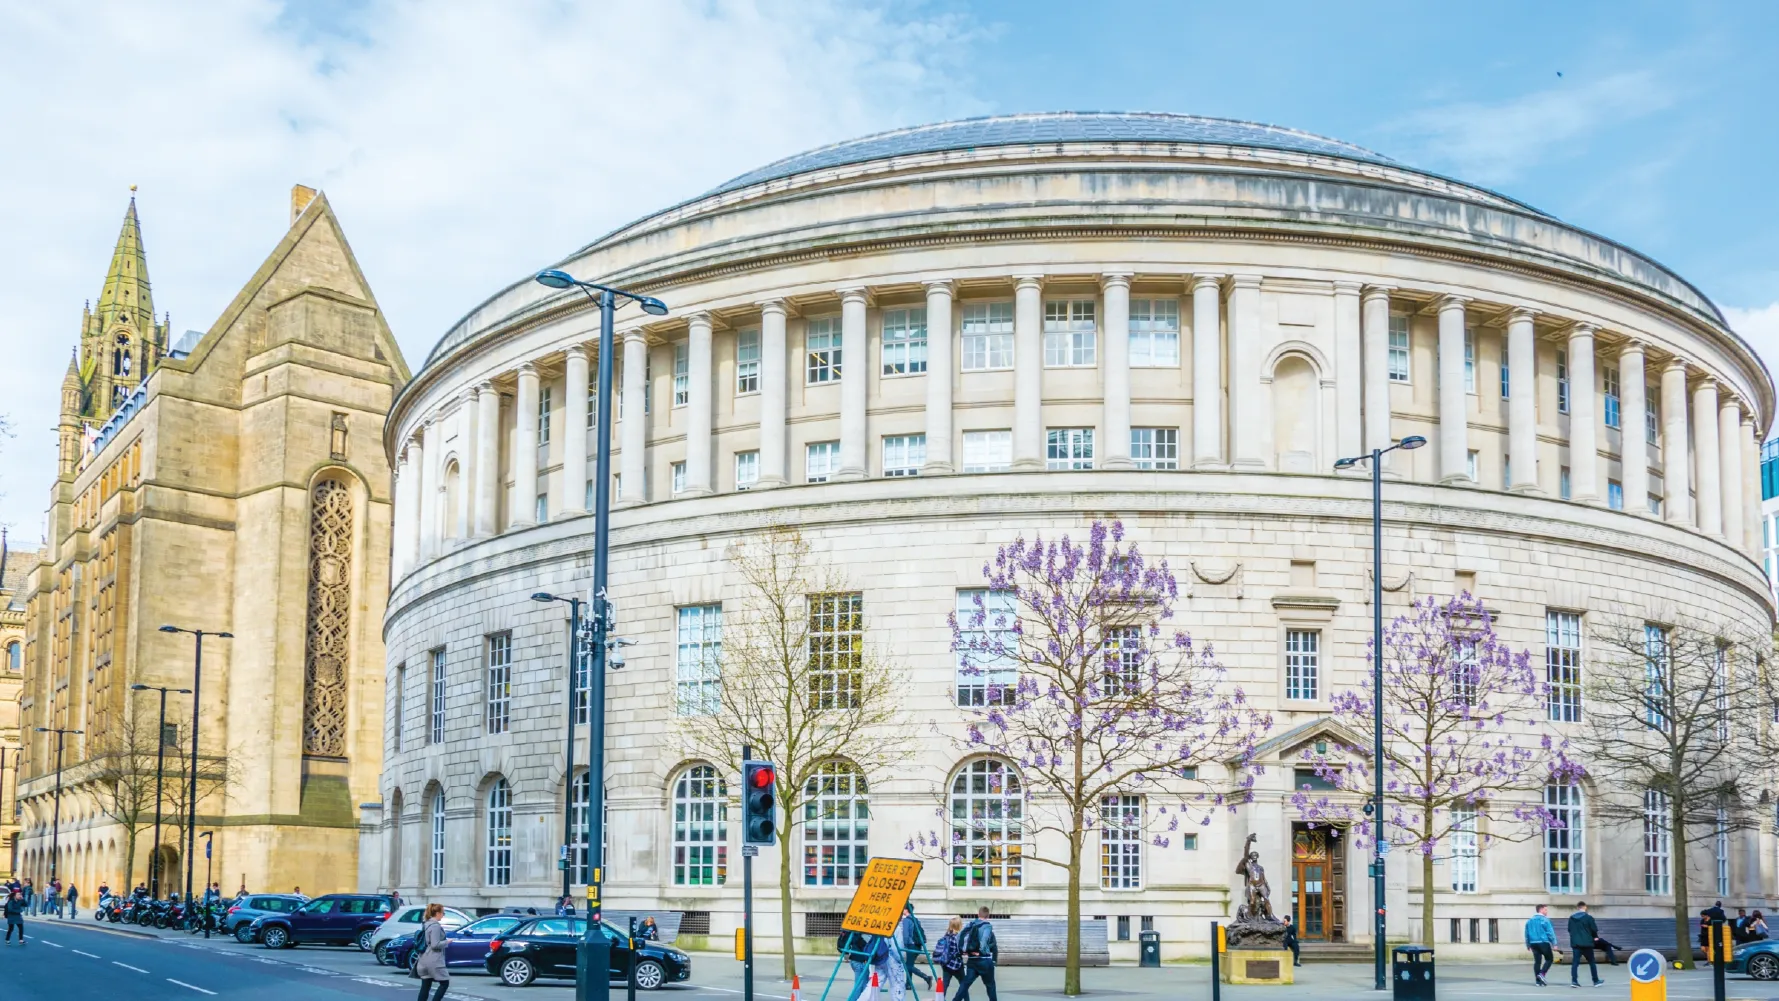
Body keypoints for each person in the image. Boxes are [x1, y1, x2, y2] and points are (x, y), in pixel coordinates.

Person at [954, 907, 998, 1001]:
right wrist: (981, 952)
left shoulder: (971, 924)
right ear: (988, 915)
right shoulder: (987, 926)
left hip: (972, 961)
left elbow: (959, 937)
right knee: (990, 986)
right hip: (984, 960)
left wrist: (963, 951)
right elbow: (984, 941)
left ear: (978, 914)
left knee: (965, 984)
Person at [414, 902, 451, 1001]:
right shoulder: (435, 926)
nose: (443, 915)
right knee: (444, 983)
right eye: (443, 913)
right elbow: (435, 944)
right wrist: (447, 942)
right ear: (437, 913)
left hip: (423, 959)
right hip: (433, 960)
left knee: (425, 986)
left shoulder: (426, 924)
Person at [897, 901, 934, 989]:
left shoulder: (906, 920)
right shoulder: (915, 919)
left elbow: (906, 934)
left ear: (906, 910)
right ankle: (908, 984)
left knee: (908, 965)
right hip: (917, 945)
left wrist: (905, 945)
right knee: (910, 964)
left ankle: (926, 977)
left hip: (911, 945)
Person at [1568, 902, 1602, 988]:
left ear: (1577, 907)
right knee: (1591, 962)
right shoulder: (1589, 918)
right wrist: (1595, 937)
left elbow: (1569, 929)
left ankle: (1574, 981)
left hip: (1576, 943)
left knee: (1575, 963)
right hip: (1587, 943)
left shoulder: (1571, 918)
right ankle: (1596, 981)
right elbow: (1594, 929)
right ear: (1585, 907)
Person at [1526, 904, 1557, 986]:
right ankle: (1542, 974)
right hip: (1543, 942)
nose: (1547, 911)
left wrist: (1528, 944)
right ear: (1541, 910)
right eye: (1545, 910)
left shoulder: (1530, 921)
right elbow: (1550, 932)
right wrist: (1554, 943)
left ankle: (1538, 981)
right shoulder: (1545, 920)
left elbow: (1527, 933)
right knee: (1549, 959)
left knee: (1537, 962)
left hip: (1533, 943)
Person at [932, 917, 966, 992]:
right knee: (963, 984)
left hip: (946, 964)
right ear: (959, 926)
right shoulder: (958, 937)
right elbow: (962, 950)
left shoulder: (946, 936)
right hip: (956, 964)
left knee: (945, 985)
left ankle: (940, 999)